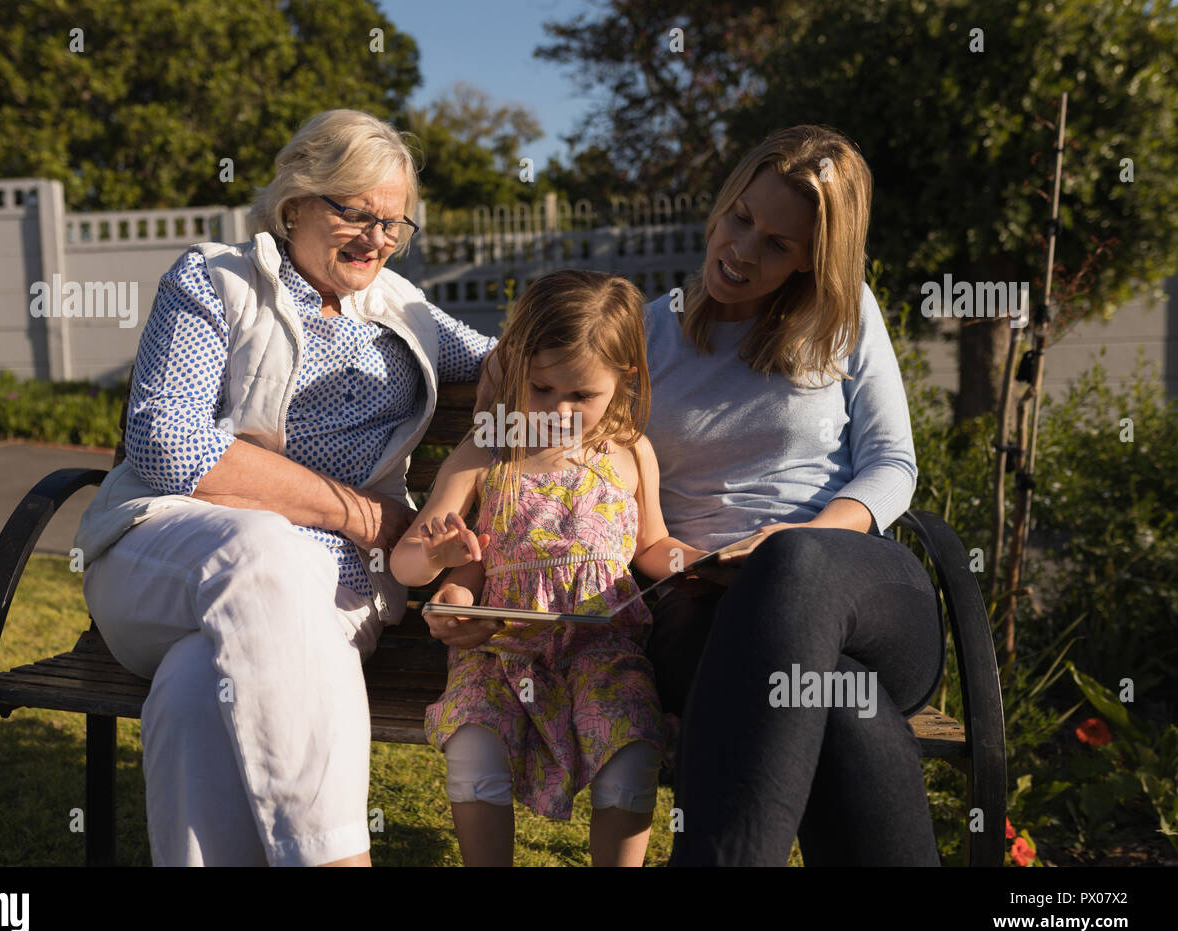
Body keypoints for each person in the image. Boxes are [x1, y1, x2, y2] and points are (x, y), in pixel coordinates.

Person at [72, 109, 497, 866]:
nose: (376, 238)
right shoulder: (217, 280)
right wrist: (363, 515)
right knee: (262, 546)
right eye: (355, 212)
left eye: (394, 224)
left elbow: (524, 362)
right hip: (166, 555)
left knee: (199, 682)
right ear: (296, 201)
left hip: (333, 597)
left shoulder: (407, 311)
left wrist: (644, 343)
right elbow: (167, 439)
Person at [642, 125, 946, 865]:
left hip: (862, 599)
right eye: (741, 218)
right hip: (708, 620)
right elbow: (587, 448)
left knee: (796, 563)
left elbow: (891, 465)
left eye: (778, 244)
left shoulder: (847, 319)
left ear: (815, 260)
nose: (743, 249)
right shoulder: (649, 333)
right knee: (842, 703)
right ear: (723, 205)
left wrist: (800, 539)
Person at [392, 270, 697, 866]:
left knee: (631, 753)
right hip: (498, 650)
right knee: (474, 746)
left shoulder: (631, 450)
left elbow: (652, 545)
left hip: (601, 648)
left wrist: (698, 563)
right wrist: (440, 559)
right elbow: (406, 560)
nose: (558, 410)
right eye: (542, 388)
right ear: (514, 372)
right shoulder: (488, 450)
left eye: (581, 396)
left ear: (623, 380)